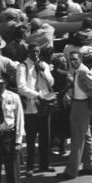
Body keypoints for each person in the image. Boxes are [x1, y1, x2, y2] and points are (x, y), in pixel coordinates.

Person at [57, 47, 92, 180]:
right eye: (71, 60)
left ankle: (71, 171)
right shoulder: (77, 71)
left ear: (80, 59)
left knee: (77, 139)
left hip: (81, 106)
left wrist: (88, 96)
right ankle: (88, 166)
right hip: (78, 104)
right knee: (86, 136)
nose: (73, 62)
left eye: (75, 59)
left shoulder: (82, 71)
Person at [16, 42, 55, 174]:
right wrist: (36, 95)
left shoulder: (43, 65)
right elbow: (21, 87)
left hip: (44, 105)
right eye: (33, 52)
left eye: (38, 52)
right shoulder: (23, 67)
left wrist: (43, 71)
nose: (35, 54)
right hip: (31, 106)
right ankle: (30, 166)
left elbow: (51, 82)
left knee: (45, 137)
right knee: (31, 139)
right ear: (28, 52)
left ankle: (45, 164)